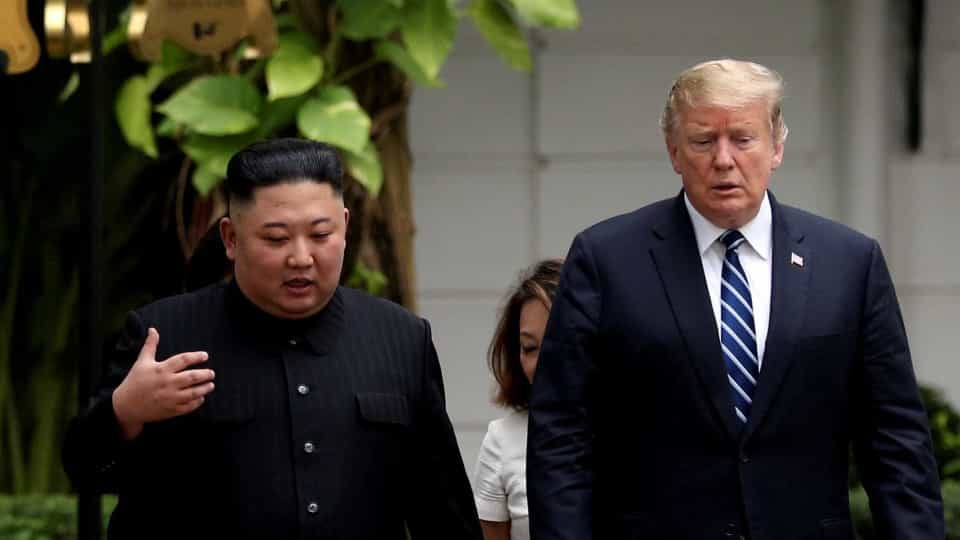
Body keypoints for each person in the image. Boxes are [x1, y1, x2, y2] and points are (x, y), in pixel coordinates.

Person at [526, 59, 944, 540]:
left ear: (776, 146)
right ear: (674, 151)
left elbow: (895, 438)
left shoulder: (848, 262)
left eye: (743, 139)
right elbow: (562, 434)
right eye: (703, 141)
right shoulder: (607, 260)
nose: (724, 159)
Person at [62, 138, 482, 540]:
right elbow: (85, 470)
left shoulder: (401, 338)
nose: (301, 257)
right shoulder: (164, 337)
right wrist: (124, 412)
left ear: (345, 227)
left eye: (320, 235)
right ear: (231, 238)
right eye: (276, 239)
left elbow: (443, 509)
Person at [473, 259, 563, 540]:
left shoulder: (642, 433)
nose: (542, 362)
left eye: (557, 342)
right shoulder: (502, 440)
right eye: (530, 348)